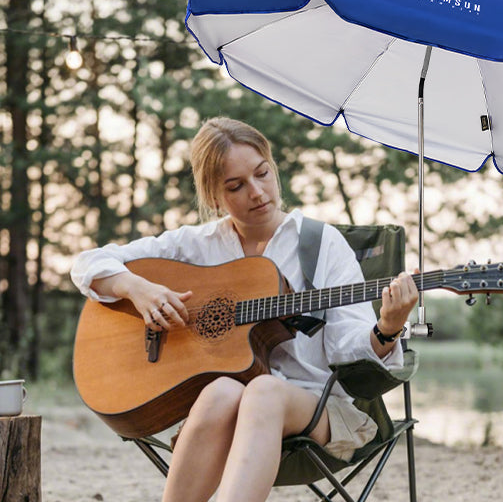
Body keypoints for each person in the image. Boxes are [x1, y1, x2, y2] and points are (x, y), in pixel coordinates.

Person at [70, 117, 416, 502]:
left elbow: (347, 348)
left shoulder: (321, 243)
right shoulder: (196, 245)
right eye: (236, 186)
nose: (257, 192)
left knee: (264, 390)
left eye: (262, 174)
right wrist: (137, 289)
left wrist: (388, 326)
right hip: (222, 410)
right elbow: (88, 264)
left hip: (317, 409)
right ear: (214, 198)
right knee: (222, 389)